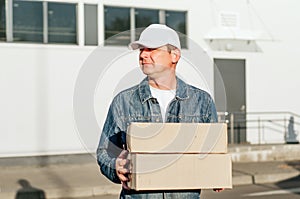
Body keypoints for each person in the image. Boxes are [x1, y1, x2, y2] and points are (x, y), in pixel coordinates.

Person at [97, 24, 223, 198]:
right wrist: (115, 166)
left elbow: (213, 152)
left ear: (174, 55)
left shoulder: (202, 101)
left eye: (152, 49)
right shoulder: (123, 101)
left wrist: (216, 172)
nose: (143, 55)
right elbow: (105, 151)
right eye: (141, 50)